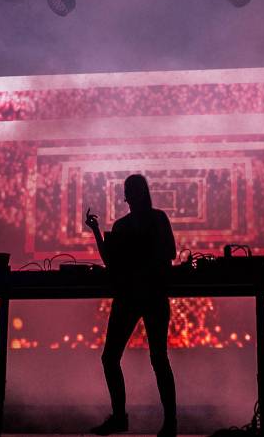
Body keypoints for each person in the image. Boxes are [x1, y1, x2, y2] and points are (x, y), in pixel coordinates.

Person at [85, 174, 177, 437]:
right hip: (152, 294)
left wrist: (98, 233)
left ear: (127, 196)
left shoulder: (123, 226)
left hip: (130, 295)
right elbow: (170, 253)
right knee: (157, 358)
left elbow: (111, 262)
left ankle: (120, 418)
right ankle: (170, 422)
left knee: (113, 358)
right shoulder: (157, 219)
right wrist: (97, 232)